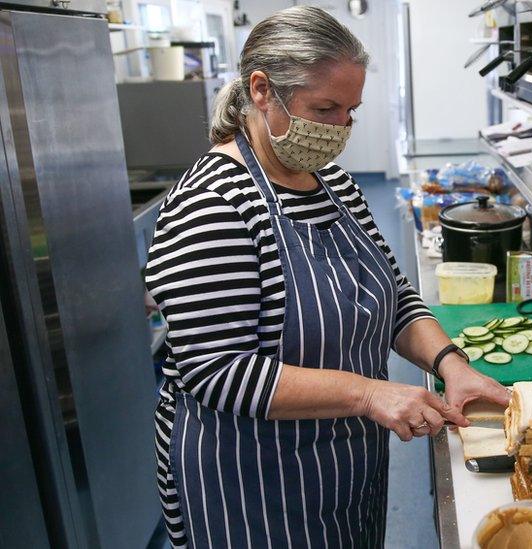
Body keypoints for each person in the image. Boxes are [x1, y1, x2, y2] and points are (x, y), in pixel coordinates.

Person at [146, 7, 509, 547]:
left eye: (351, 111)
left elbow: (392, 293)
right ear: (262, 90)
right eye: (325, 108)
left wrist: (448, 363)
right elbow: (217, 369)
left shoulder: (334, 184)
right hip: (252, 482)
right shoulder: (213, 204)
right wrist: (367, 395)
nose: (339, 128)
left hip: (344, 462)